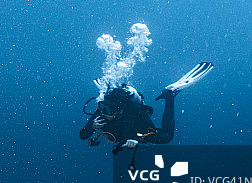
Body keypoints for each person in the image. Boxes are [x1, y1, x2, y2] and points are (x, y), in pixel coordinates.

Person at [80, 62, 212, 154]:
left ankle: (170, 95)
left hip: (134, 131)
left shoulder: (135, 112)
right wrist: (91, 126)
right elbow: (82, 135)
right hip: (121, 135)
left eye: (109, 111)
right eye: (103, 108)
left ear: (120, 110)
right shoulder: (102, 112)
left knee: (167, 137)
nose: (104, 113)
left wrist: (138, 139)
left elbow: (151, 130)